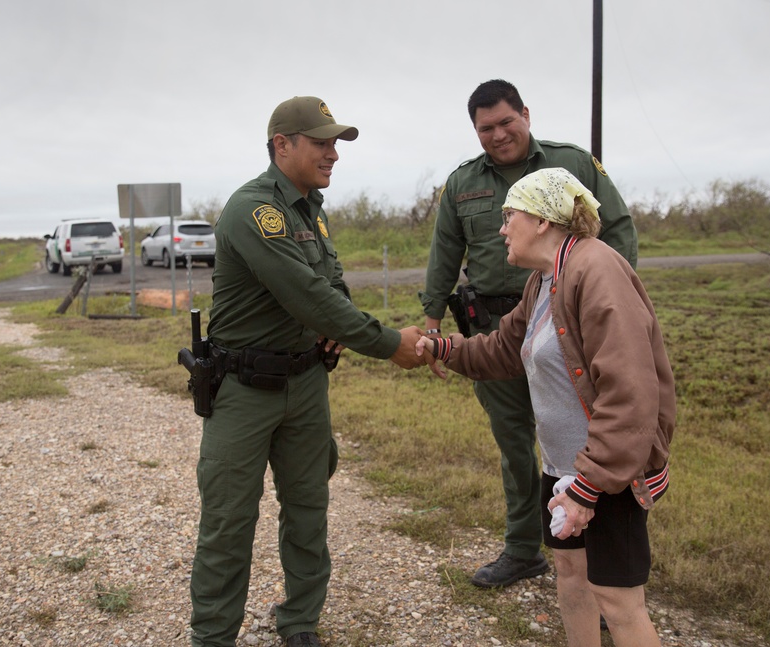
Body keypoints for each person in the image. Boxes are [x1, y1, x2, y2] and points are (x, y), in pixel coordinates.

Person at [190, 95, 424, 647]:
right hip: (245, 390)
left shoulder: (309, 207)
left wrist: (332, 325)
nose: (333, 154)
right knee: (228, 523)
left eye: (336, 143)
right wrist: (389, 343)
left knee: (308, 511)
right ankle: (213, 637)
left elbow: (331, 285)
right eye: (321, 143)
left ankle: (299, 623)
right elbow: (305, 292)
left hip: (307, 383)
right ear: (282, 145)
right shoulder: (254, 209)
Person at [416, 167, 674, 647]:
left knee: (617, 601)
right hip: (563, 468)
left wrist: (589, 487)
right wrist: (445, 348)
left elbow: (630, 394)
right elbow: (501, 348)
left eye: (508, 215)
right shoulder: (545, 280)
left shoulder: (596, 270)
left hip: (605, 474)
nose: (500, 228)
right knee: (572, 576)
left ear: (541, 221)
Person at [420, 79, 638, 588]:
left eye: (506, 122)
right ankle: (525, 549)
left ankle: (605, 569)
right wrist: (432, 322)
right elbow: (444, 252)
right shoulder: (461, 183)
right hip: (497, 327)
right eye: (485, 129)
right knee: (515, 442)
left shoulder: (573, 164)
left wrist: (615, 300)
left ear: (526, 114)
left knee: (588, 437)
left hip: (572, 329)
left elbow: (619, 228)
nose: (497, 135)